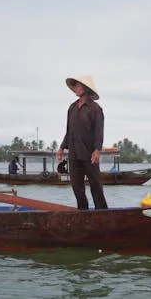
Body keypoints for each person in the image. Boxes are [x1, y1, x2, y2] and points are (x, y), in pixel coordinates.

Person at [56, 75, 108, 210]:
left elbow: (99, 131)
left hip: (89, 154)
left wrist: (97, 150)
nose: (75, 88)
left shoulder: (95, 109)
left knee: (96, 186)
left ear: (86, 88)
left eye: (78, 86)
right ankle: (83, 213)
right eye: (75, 86)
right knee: (77, 187)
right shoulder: (72, 108)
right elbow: (69, 131)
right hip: (74, 154)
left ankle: (102, 213)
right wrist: (61, 148)